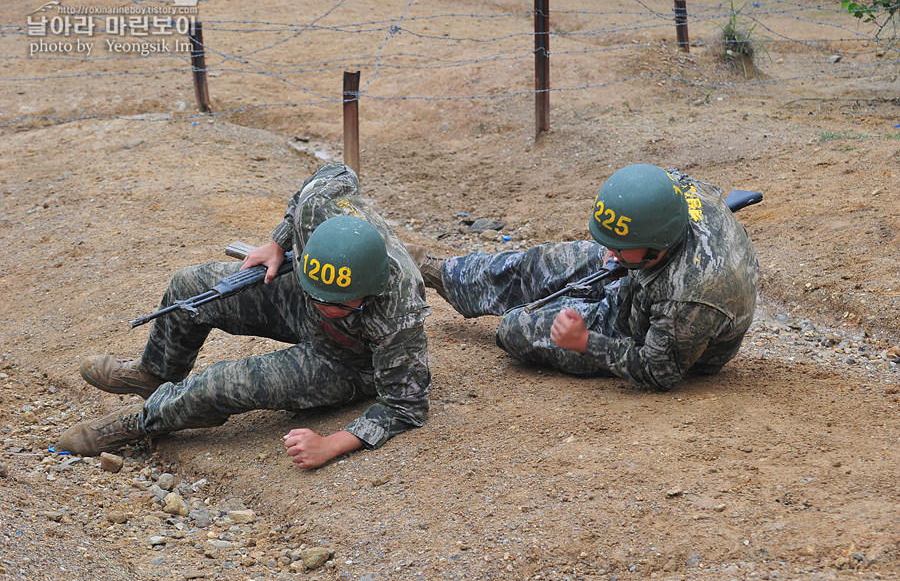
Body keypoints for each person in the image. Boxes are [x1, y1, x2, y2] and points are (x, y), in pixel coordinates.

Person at [59, 163, 431, 469]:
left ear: (367, 293)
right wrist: (277, 242)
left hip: (345, 359)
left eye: (336, 304)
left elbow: (405, 404)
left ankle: (139, 422)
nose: (325, 307)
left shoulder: (399, 310)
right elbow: (337, 171)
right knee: (190, 286)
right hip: (297, 305)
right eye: (318, 296)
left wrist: (332, 443)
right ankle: (153, 374)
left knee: (223, 383)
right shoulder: (316, 210)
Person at [410, 164, 758, 391]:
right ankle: (438, 272)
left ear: (656, 244)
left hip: (655, 328)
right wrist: (621, 253)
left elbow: (659, 369)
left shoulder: (693, 294)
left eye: (619, 247)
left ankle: (565, 309)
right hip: (644, 271)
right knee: (539, 263)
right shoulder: (676, 194)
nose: (609, 252)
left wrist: (585, 343)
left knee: (516, 328)